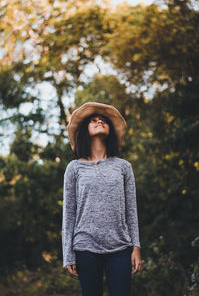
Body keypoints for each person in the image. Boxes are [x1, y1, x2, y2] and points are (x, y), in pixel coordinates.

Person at [62, 102, 142, 296]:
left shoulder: (123, 167)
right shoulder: (74, 168)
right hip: (85, 246)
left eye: (104, 121)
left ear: (110, 130)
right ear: (84, 130)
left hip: (120, 247)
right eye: (94, 120)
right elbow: (69, 213)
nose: (99, 121)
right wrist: (67, 254)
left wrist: (136, 246)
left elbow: (131, 208)